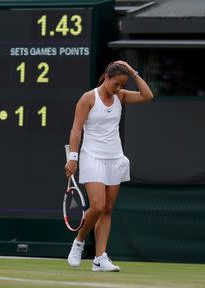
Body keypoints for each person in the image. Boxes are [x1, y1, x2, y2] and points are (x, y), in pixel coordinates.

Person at [65, 61, 154, 272]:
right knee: (97, 205)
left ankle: (99, 258)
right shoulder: (88, 98)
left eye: (121, 84)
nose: (118, 88)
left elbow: (148, 95)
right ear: (106, 77)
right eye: (116, 84)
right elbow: (76, 129)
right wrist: (73, 158)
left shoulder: (120, 96)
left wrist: (133, 73)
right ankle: (78, 243)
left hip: (115, 158)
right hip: (91, 156)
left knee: (107, 209)